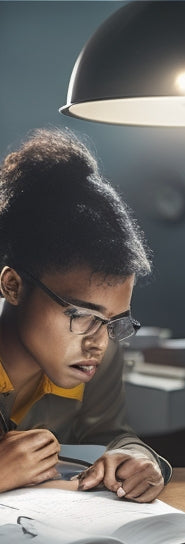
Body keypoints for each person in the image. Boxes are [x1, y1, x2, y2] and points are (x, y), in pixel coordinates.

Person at [0, 127, 171, 501]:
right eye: (81, 314)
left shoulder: (98, 353)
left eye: (114, 321)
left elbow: (107, 433)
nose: (99, 341)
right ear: (13, 286)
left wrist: (137, 457)